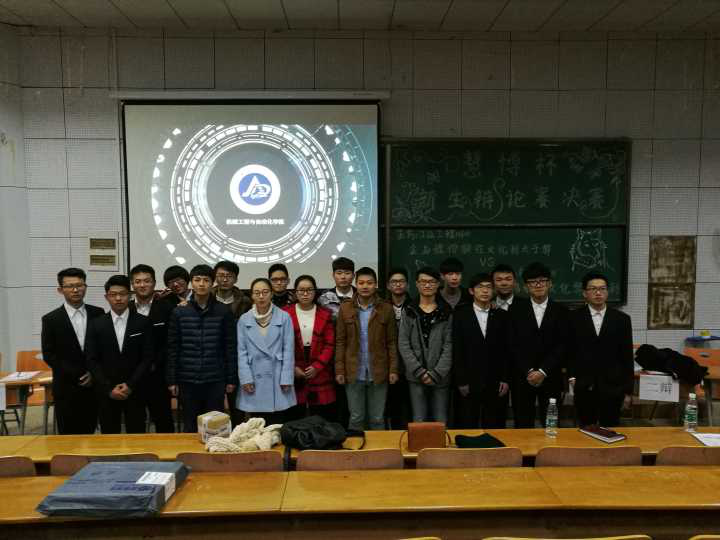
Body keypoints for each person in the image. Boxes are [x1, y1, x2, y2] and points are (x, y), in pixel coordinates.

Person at [167, 264, 238, 433]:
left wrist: (231, 379)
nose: (201, 284)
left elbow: (230, 347)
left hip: (215, 378)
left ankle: (214, 451)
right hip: (187, 378)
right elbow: (173, 348)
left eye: (206, 280)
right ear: (191, 283)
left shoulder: (223, 311)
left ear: (212, 283)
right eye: (197, 280)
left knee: (214, 426)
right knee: (190, 425)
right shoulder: (179, 312)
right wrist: (172, 380)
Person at [86, 275, 153, 434]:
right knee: (109, 436)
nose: (118, 298)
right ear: (106, 297)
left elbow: (147, 357)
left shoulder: (143, 322)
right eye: (113, 294)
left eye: (122, 294)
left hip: (135, 389)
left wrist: (130, 385)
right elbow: (92, 359)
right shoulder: (96, 324)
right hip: (106, 391)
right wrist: (109, 388)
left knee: (137, 434)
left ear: (130, 295)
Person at [41, 268, 104, 434]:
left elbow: (104, 349)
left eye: (79, 285)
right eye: (70, 286)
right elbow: (49, 354)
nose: (75, 290)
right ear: (60, 290)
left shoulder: (98, 313)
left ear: (85, 287)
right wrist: (78, 374)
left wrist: (93, 373)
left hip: (94, 385)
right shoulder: (50, 319)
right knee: (67, 436)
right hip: (66, 386)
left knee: (92, 434)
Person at [335, 267, 398, 430]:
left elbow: (391, 342)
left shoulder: (386, 308)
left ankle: (378, 448)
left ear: (376, 285)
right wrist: (339, 370)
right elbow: (340, 342)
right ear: (356, 284)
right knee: (356, 417)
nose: (365, 286)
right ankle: (356, 448)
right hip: (353, 371)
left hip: (379, 371)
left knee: (377, 418)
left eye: (369, 283)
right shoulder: (345, 308)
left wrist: (393, 369)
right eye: (361, 283)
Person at [569, 272, 634, 427]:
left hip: (613, 386)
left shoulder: (622, 319)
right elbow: (570, 350)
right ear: (584, 293)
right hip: (584, 384)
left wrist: (628, 391)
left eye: (602, 288)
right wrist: (572, 377)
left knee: (610, 428)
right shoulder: (573, 318)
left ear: (607, 292)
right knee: (585, 428)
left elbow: (626, 356)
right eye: (593, 289)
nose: (598, 293)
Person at [509, 262, 569, 428]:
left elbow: (563, 344)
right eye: (533, 282)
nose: (538, 285)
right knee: (522, 424)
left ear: (550, 283)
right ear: (526, 286)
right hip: (523, 377)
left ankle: (551, 446)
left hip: (551, 376)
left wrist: (543, 371)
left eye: (542, 280)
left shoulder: (562, 311)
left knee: (551, 425)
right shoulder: (515, 310)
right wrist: (529, 371)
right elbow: (512, 344)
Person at [453, 273, 512, 428]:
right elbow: (457, 349)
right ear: (471, 291)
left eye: (489, 287)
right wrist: (461, 380)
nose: (485, 291)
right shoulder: (460, 315)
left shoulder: (502, 316)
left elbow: (507, 350)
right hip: (469, 380)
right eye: (480, 287)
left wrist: (505, 378)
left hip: (495, 381)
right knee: (467, 424)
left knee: (495, 426)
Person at [237, 277, 296, 425]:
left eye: (265, 292)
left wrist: (286, 378)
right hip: (254, 377)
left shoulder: (284, 317)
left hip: (277, 377)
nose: (261, 296)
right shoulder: (244, 320)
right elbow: (241, 352)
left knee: (276, 425)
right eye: (257, 293)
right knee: (257, 426)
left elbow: (288, 351)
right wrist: (245, 377)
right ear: (252, 295)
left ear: (271, 293)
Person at [398, 267, 453, 424]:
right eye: (423, 282)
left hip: (440, 376)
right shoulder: (409, 310)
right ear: (417, 284)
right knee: (419, 420)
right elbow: (403, 343)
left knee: (440, 420)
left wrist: (437, 373)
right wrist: (419, 371)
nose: (427, 285)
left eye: (432, 282)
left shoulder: (446, 311)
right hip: (416, 376)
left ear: (438, 284)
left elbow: (449, 345)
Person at [129, 264, 175, 433]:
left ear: (154, 283)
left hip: (159, 376)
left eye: (147, 281)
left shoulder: (167, 308)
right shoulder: (125, 308)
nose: (142, 285)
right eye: (138, 281)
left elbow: (170, 342)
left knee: (164, 422)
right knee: (135, 423)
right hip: (133, 377)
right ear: (132, 284)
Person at [283, 275, 336, 421]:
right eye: (301, 290)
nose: (305, 294)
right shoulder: (285, 314)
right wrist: (292, 367)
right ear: (295, 292)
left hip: (320, 369)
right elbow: (280, 345)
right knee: (295, 417)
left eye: (309, 290)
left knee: (321, 417)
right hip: (294, 369)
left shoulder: (325, 314)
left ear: (315, 292)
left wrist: (317, 367)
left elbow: (330, 344)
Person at [212, 260, 253, 426]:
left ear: (235, 279)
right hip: (212, 356)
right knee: (213, 406)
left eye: (229, 276)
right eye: (221, 275)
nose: (224, 279)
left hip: (236, 356)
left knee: (237, 405)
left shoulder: (245, 301)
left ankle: (238, 434)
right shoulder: (206, 297)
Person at [385, 267, 412, 429]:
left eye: (401, 281)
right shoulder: (381, 306)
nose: (398, 284)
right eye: (394, 282)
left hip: (410, 364)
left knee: (409, 407)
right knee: (390, 406)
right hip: (387, 363)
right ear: (388, 285)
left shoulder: (415, 305)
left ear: (407, 285)